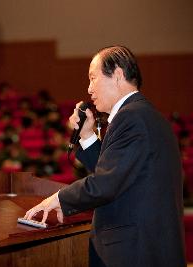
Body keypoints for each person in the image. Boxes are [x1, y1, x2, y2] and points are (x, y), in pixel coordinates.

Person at [24, 46, 185, 266]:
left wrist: (59, 198)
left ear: (117, 75)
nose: (89, 89)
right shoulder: (144, 114)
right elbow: (116, 173)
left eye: (93, 78)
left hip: (136, 253)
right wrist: (88, 135)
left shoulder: (132, 118)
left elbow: (105, 184)